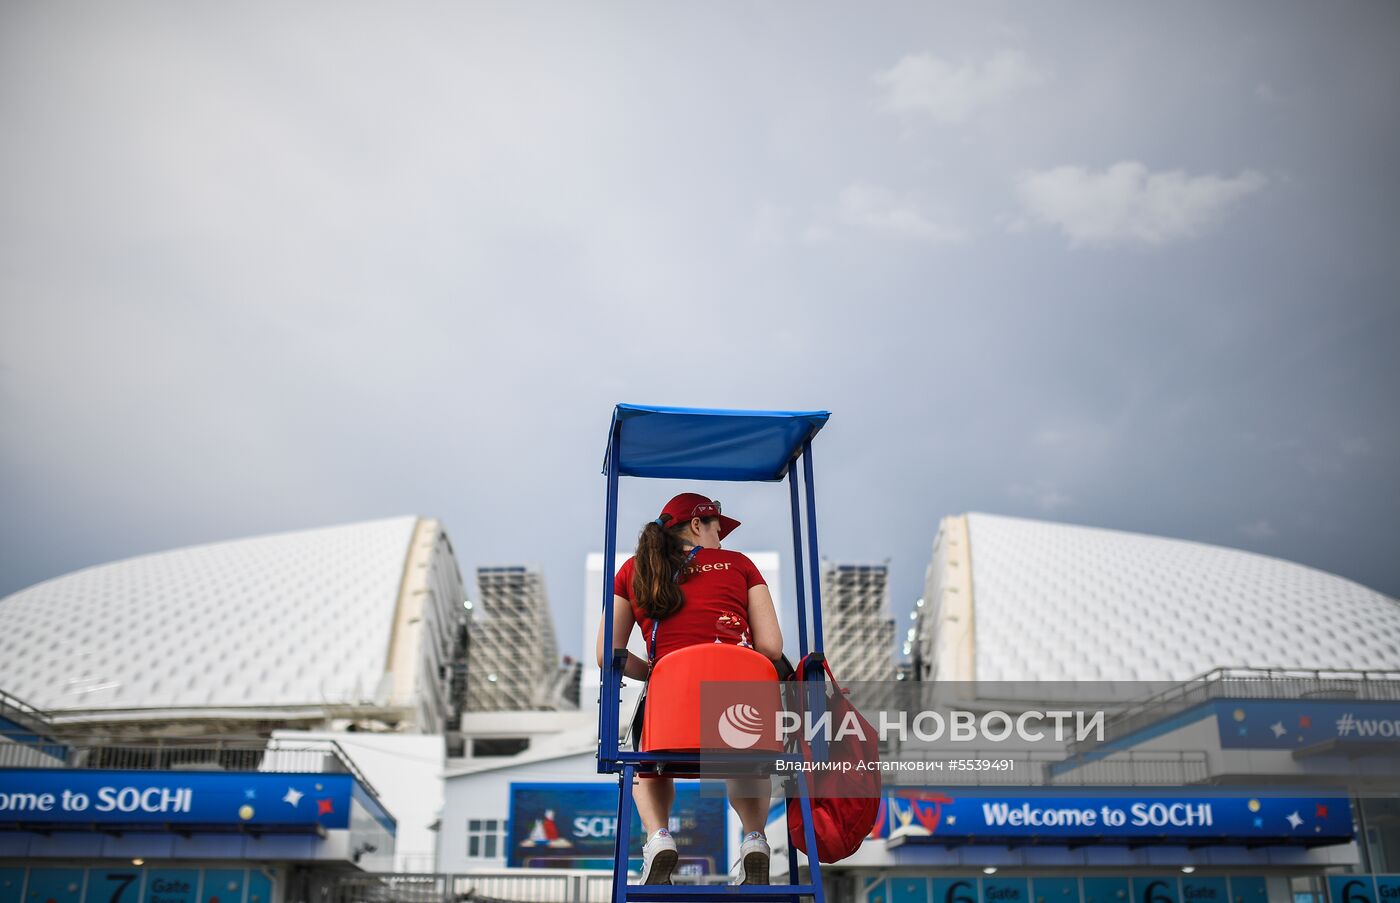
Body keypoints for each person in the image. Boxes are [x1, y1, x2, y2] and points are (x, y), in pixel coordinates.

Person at [595, 492, 784, 886]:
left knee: (648, 767)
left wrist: (653, 671)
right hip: (737, 711)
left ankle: (659, 837)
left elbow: (606, 653)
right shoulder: (741, 565)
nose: (722, 540)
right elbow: (770, 648)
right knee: (745, 757)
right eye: (719, 529)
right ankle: (754, 839)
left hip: (672, 716)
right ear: (698, 525)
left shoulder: (635, 570)